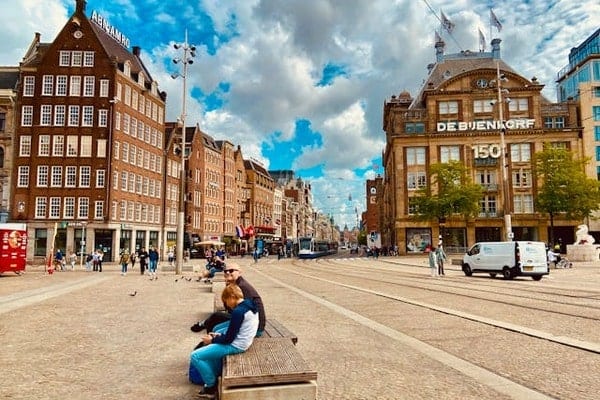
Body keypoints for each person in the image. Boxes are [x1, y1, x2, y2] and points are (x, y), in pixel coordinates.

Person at [189, 284, 259, 398]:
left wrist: (212, 340)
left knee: (195, 356)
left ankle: (210, 387)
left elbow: (228, 339)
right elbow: (235, 332)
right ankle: (213, 377)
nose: (227, 305)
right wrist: (218, 335)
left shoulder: (238, 311)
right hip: (244, 341)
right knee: (212, 347)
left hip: (236, 346)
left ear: (231, 296)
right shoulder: (250, 305)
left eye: (226, 301)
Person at [191, 263, 266, 340]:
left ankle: (207, 334)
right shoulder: (235, 284)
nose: (227, 273)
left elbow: (238, 311)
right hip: (248, 321)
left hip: (254, 327)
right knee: (216, 318)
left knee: (216, 318)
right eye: (225, 271)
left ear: (239, 272)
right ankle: (206, 330)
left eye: (231, 271)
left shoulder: (241, 287)